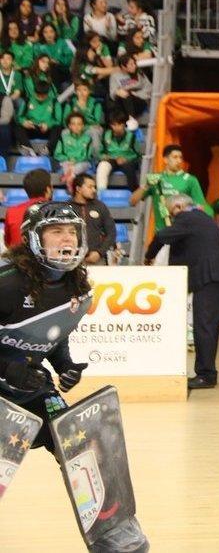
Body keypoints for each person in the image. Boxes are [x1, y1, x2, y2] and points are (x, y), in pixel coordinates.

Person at [0, 202, 151, 550]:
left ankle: (119, 540)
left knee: (80, 445)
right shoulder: (6, 284)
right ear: (33, 239)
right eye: (56, 231)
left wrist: (64, 364)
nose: (66, 238)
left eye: (72, 231)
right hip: (6, 385)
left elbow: (51, 335)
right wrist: (7, 367)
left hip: (31, 389)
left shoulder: (77, 289)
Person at [144, 194, 219, 388]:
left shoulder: (188, 217)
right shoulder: (202, 218)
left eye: (172, 213)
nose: (173, 218)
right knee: (206, 327)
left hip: (210, 278)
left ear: (178, 206)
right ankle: (207, 372)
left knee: (204, 327)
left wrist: (148, 257)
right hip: (215, 278)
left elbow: (162, 236)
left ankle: (206, 375)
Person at [130, 144, 211, 230]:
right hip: (161, 233)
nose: (179, 161)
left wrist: (180, 209)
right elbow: (132, 201)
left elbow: (200, 207)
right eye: (175, 157)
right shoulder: (155, 179)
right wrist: (147, 185)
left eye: (181, 158)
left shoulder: (190, 180)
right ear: (165, 160)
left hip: (183, 232)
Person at [69, 173, 116, 265]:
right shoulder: (67, 208)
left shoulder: (100, 207)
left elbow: (111, 233)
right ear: (78, 189)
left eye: (94, 187)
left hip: (97, 259)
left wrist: (99, 252)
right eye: (90, 187)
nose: (94, 190)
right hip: (72, 260)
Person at [4, 169, 51, 248]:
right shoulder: (56, 210)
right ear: (48, 189)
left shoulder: (11, 212)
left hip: (17, 258)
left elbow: (9, 244)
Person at [96, 111, 142, 191]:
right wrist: (104, 157)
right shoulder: (106, 135)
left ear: (124, 124)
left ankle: (133, 193)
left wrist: (126, 159)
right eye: (114, 125)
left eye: (120, 124)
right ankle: (101, 194)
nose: (117, 127)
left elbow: (138, 155)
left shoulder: (131, 137)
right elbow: (100, 153)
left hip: (127, 161)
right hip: (111, 159)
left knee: (130, 167)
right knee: (102, 165)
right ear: (111, 125)